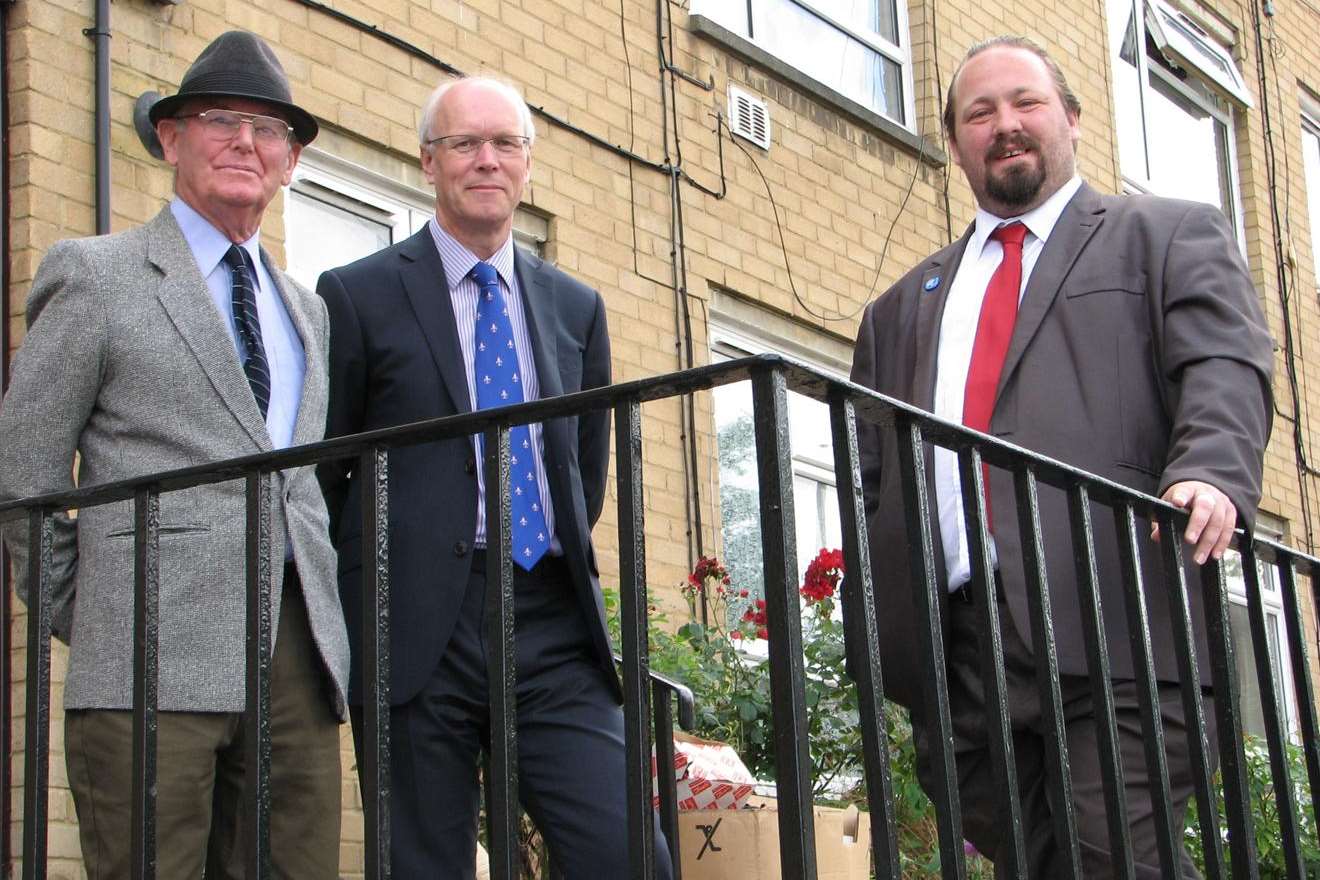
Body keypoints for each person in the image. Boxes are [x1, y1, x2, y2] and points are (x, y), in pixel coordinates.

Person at [850, 35, 1273, 877]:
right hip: (961, 640)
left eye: (1026, 103)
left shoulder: (1162, 235)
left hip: (1116, 609)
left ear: (1072, 119)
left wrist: (1211, 468)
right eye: (980, 112)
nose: (1005, 125)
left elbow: (1221, 365)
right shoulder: (898, 307)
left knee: (1111, 845)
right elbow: (873, 476)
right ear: (956, 139)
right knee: (1030, 860)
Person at [0, 31, 349, 879]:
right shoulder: (96, 274)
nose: (245, 143)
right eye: (221, 120)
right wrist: (93, 611)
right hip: (147, 654)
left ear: (291, 160)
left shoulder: (309, 310)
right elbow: (24, 473)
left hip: (298, 654)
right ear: (170, 137)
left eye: (270, 130)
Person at [316, 76, 672, 878]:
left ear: (528, 163)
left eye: (504, 143)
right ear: (428, 162)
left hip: (548, 617)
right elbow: (326, 469)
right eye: (464, 144)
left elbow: (582, 467)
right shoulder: (358, 294)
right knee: (423, 864)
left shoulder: (574, 306)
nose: (486, 160)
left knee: (626, 854)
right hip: (412, 625)